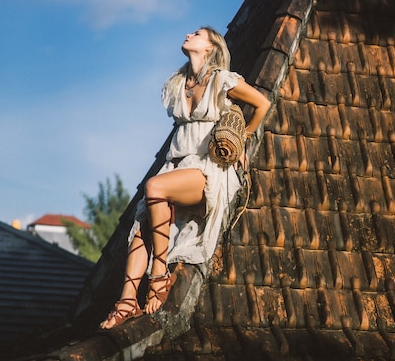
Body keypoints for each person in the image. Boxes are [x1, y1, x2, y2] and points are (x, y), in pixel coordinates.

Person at [100, 27, 269, 328]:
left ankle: (158, 275)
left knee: (154, 186)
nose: (189, 35)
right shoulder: (180, 83)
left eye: (197, 34)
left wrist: (244, 136)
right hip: (176, 165)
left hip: (207, 168)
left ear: (210, 48)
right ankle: (126, 301)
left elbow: (262, 104)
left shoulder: (221, 80)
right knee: (142, 226)